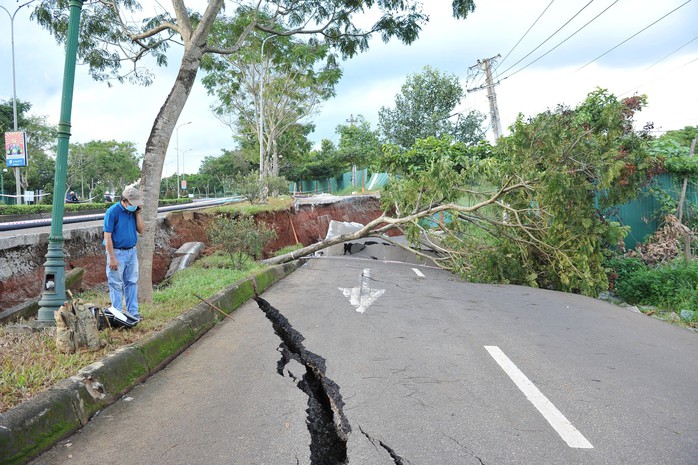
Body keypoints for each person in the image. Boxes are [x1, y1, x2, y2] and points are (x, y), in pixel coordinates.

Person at [103, 186, 145, 321]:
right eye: (132, 204)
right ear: (124, 200)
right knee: (116, 283)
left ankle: (133, 312)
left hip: (131, 251)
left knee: (132, 282)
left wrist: (138, 214)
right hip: (117, 252)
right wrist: (112, 258)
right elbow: (107, 236)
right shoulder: (113, 212)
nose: (134, 206)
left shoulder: (133, 212)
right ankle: (118, 313)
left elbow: (142, 230)